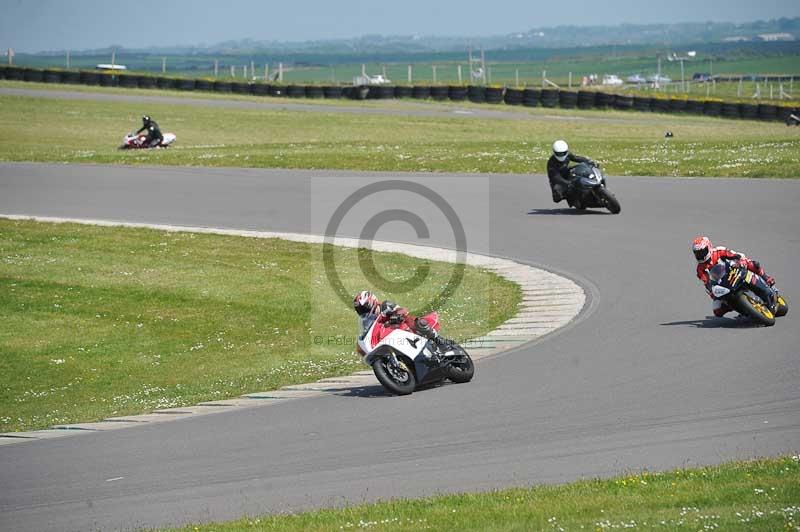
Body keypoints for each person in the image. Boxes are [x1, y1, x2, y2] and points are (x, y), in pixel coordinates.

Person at [691, 236, 775, 317]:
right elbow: (706, 282)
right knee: (717, 311)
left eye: (702, 252)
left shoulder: (719, 251)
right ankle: (740, 308)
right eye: (697, 253)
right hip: (721, 284)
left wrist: (740, 261)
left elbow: (735, 255)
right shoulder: (700, 269)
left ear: (709, 247)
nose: (700, 255)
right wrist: (712, 292)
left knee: (753, 264)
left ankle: (766, 278)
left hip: (733, 271)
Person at [353, 290, 445, 353]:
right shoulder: (366, 321)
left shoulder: (385, 306)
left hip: (403, 328)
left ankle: (438, 340)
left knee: (413, 321)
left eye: (363, 308)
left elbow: (403, 310)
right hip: (390, 338)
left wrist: (396, 315)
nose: (362, 311)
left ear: (372, 302)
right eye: (359, 309)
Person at [546, 139, 597, 206]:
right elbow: (555, 177)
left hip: (566, 172)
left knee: (581, 169)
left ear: (566, 151)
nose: (561, 155)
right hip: (558, 179)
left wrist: (588, 161)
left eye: (563, 153)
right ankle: (572, 198)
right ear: (554, 152)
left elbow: (576, 158)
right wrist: (567, 183)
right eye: (559, 154)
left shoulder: (568, 155)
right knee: (557, 196)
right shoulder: (551, 163)